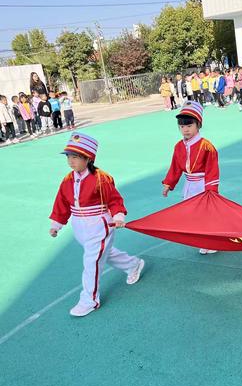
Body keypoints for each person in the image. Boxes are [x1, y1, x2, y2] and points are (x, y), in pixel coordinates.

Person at [49, 132, 145, 317]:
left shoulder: (102, 178)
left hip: (99, 225)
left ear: (88, 158)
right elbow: (61, 203)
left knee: (92, 262)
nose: (71, 161)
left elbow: (115, 199)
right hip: (79, 225)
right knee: (103, 254)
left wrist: (118, 216)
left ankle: (90, 300)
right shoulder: (68, 180)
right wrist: (57, 224)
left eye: (75, 157)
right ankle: (133, 265)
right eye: (69, 156)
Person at [162, 101, 219, 255]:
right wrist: (169, 183)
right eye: (182, 126)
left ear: (198, 125)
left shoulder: (206, 146)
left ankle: (213, 241)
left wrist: (211, 190)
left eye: (189, 125)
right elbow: (175, 167)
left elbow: (212, 170)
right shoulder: (178, 146)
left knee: (206, 214)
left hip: (203, 185)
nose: (185, 129)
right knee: (194, 215)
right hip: (189, 185)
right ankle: (203, 241)